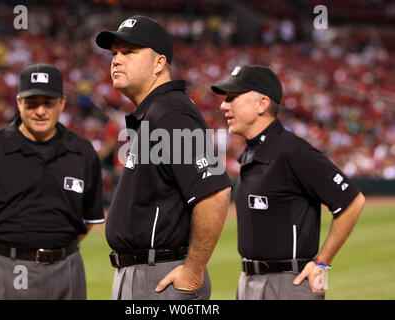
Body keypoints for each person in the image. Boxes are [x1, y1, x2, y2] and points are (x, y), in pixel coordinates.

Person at [95, 15, 232, 300]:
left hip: (160, 276)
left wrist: (193, 271)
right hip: (145, 273)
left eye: (129, 52)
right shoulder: (156, 112)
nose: (116, 60)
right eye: (114, 53)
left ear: (159, 63)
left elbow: (215, 194)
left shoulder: (170, 113)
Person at [211, 64, 365, 300]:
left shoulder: (292, 151)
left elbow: (352, 201)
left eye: (232, 97)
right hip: (249, 281)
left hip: (287, 284)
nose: (224, 104)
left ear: (262, 104)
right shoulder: (252, 153)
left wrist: (322, 262)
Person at [0, 63, 105, 300]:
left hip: (65, 268)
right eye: (32, 103)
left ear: (62, 103)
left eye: (48, 103)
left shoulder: (82, 152)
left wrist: (56, 251)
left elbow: (87, 220)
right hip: (0, 267)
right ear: (18, 102)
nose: (40, 111)